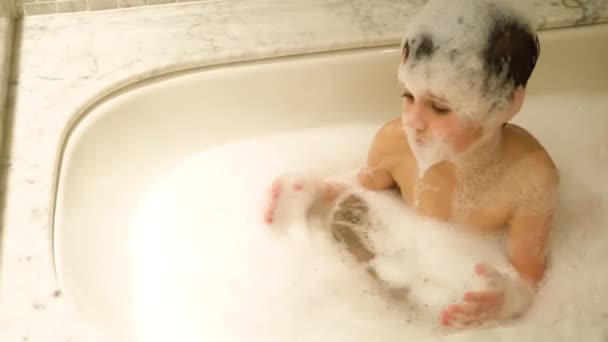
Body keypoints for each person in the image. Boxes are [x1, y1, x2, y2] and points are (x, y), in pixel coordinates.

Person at [264, 0, 558, 329]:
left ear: (504, 104)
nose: (413, 120)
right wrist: (318, 191)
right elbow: (363, 185)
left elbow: (529, 274)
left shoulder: (529, 177)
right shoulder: (394, 142)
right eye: (408, 95)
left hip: (460, 287)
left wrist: (507, 298)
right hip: (397, 266)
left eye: (439, 107)